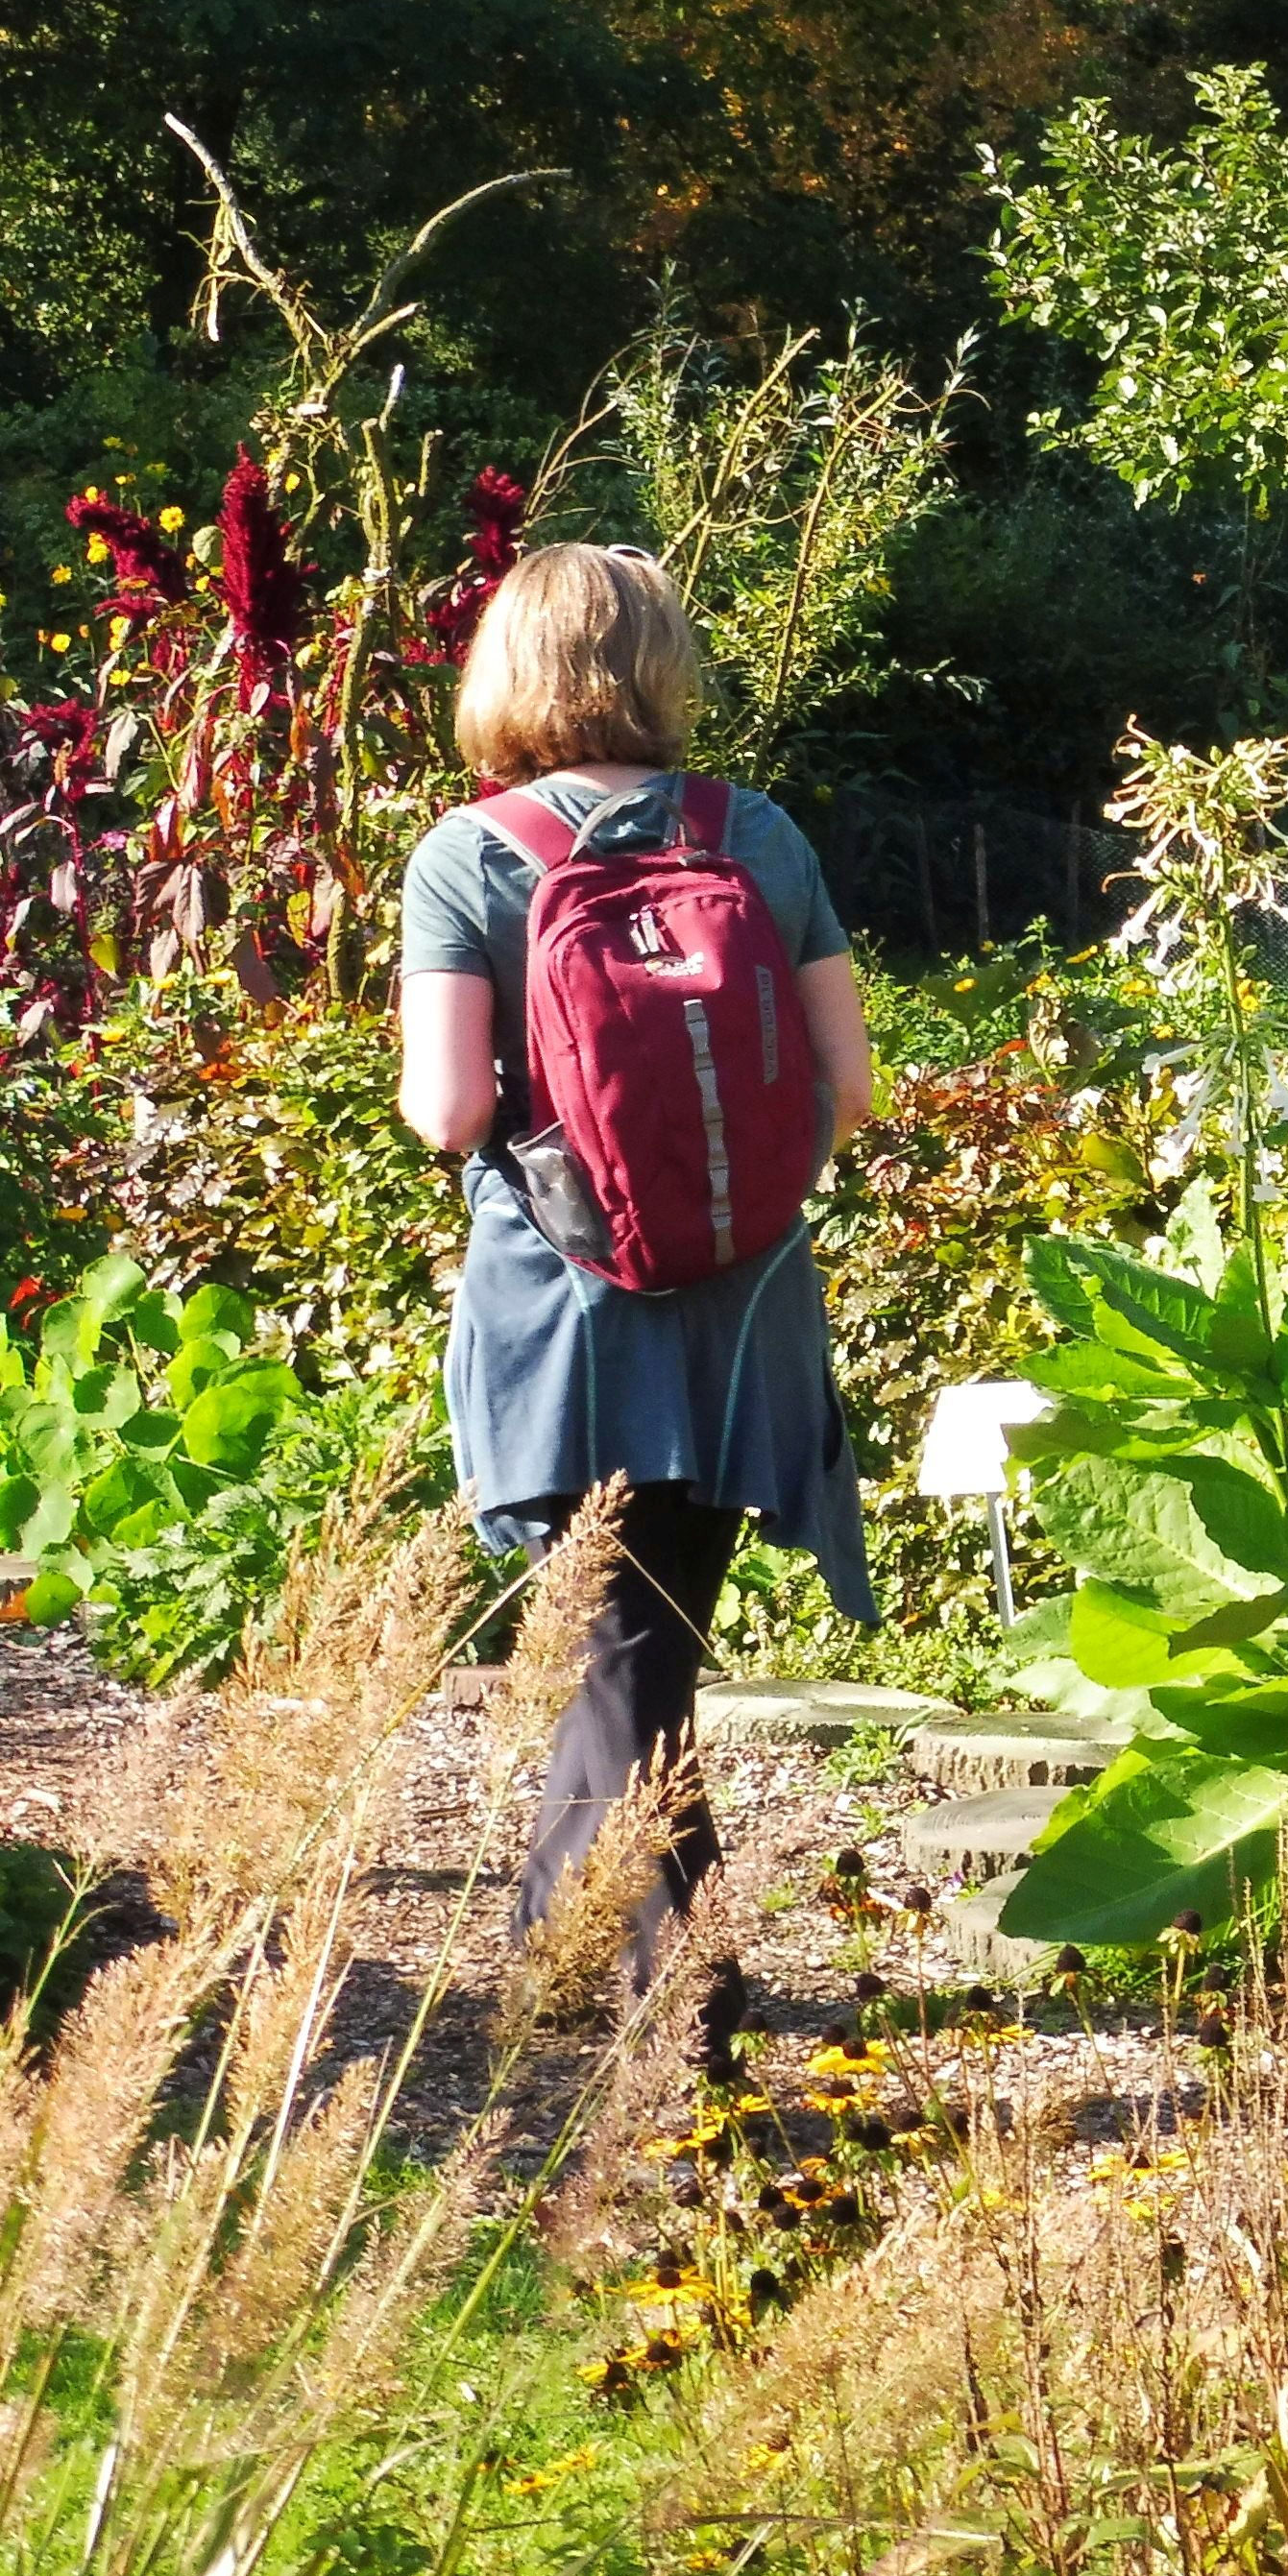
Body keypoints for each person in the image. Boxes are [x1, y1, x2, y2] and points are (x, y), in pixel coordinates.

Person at [397, 542, 877, 1993]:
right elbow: (850, 1091)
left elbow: (453, 1111)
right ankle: (563, 1949)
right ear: (661, 666)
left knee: (610, 1652)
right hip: (742, 1312)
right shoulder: (759, 835)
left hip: (571, 1311)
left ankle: (687, 1994)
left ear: (506, 670)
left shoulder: (469, 854)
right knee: (637, 1648)